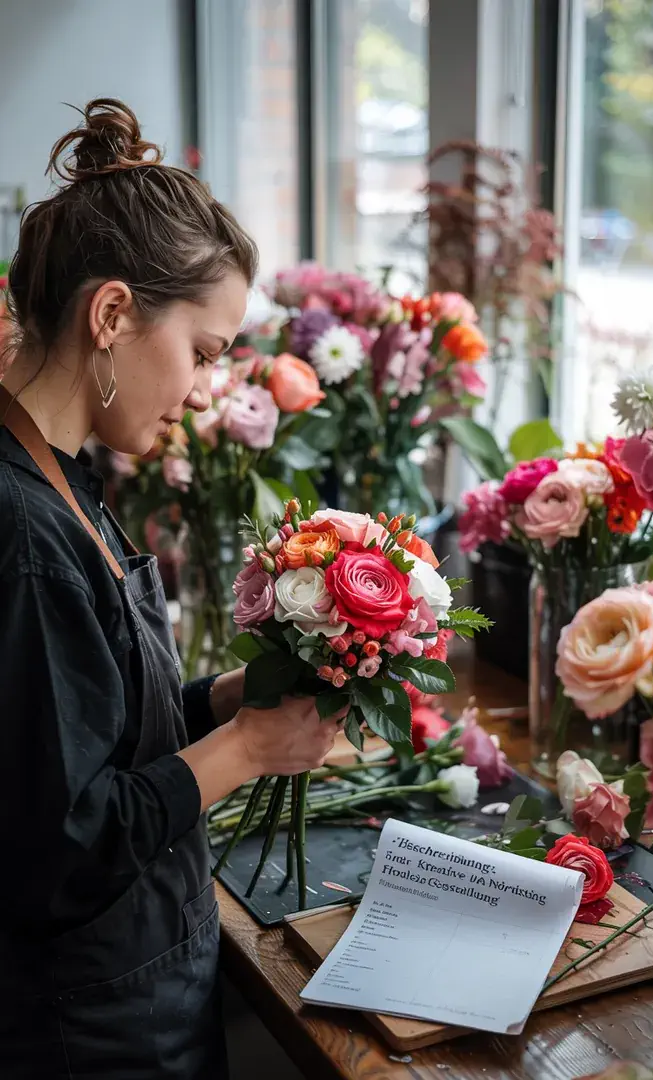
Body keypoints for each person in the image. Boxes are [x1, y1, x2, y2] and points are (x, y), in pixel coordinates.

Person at [0, 99, 338, 1080]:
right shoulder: (21, 533)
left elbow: (91, 746)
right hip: (84, 1036)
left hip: (138, 998)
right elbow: (62, 844)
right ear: (111, 315)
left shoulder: (67, 479)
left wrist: (220, 701)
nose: (202, 389)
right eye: (203, 351)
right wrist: (247, 747)